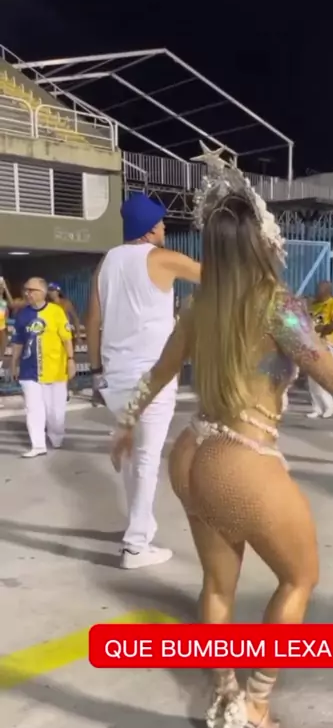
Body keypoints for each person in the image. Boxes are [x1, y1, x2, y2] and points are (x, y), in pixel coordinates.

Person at [110, 147, 333, 728]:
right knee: (299, 577)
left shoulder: (202, 305)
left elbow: (158, 373)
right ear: (262, 240)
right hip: (241, 460)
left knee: (217, 585)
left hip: (192, 453)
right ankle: (255, 701)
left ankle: (223, 694)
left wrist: (126, 424)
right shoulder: (278, 307)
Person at [86, 192, 200, 570]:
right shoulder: (162, 258)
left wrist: (96, 372)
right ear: (150, 229)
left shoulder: (108, 261)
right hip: (152, 377)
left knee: (133, 454)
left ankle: (141, 526)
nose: (165, 227)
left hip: (115, 378)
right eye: (161, 222)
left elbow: (92, 319)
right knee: (146, 458)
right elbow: (215, 277)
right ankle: (136, 546)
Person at [10, 277, 76, 458]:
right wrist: (13, 363)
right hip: (29, 370)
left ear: (43, 292)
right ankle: (38, 445)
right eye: (26, 290)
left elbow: (67, 338)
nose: (27, 293)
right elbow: (17, 342)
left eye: (32, 290)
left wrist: (71, 360)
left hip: (55, 370)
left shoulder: (56, 312)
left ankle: (56, 436)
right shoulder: (22, 315)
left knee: (56, 413)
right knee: (33, 408)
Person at [306, 281, 333, 419]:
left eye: (320, 290)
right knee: (312, 377)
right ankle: (317, 407)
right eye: (317, 289)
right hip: (311, 343)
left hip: (326, 342)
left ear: (328, 291)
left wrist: (321, 331)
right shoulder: (313, 305)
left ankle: (329, 404)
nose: (317, 292)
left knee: (322, 374)